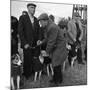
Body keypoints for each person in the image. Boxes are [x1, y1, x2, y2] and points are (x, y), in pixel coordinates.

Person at [38, 13, 68, 84]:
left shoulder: (52, 27)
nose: (40, 23)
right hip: (56, 46)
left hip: (59, 47)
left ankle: (58, 80)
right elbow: (47, 38)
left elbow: (51, 41)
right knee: (55, 63)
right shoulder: (48, 26)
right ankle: (56, 79)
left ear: (45, 20)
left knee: (56, 63)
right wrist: (41, 42)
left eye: (41, 22)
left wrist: (47, 52)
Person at [18, 3, 40, 79]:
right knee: (27, 59)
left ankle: (33, 72)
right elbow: (20, 32)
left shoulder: (36, 19)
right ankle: (27, 74)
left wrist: (39, 40)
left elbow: (39, 32)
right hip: (26, 44)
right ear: (28, 8)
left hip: (35, 44)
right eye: (31, 7)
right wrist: (24, 43)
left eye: (34, 8)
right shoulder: (22, 18)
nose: (33, 9)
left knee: (34, 59)